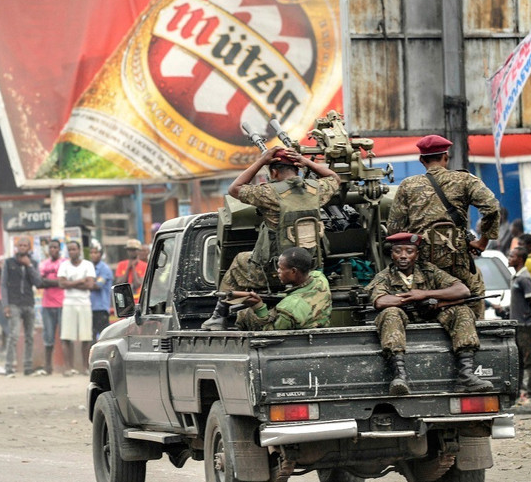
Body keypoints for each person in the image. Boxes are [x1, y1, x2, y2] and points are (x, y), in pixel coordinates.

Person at [202, 146, 340, 330]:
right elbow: (335, 179)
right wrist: (306, 161)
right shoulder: (317, 190)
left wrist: (261, 161)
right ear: (297, 168)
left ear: (274, 172)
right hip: (308, 268)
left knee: (239, 261)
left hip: (274, 271)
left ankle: (219, 316)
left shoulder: (269, 193)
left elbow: (235, 189)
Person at [386, 135, 500, 319]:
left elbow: (394, 229)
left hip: (422, 267)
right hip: (458, 263)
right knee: (474, 293)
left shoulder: (408, 185)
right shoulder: (465, 180)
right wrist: (482, 242)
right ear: (446, 157)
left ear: (421, 160)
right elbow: (492, 208)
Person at [367, 232, 493, 395]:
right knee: (390, 313)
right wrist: (412, 299)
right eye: (398, 251)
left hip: (434, 316)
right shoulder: (385, 276)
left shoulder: (429, 270)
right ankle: (399, 376)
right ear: (392, 254)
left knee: (462, 311)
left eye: (409, 251)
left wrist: (426, 295)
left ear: (417, 254)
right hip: (402, 320)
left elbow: (462, 290)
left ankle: (466, 375)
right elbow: (380, 301)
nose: (403, 256)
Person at [231, 247, 331, 331]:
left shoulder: (289, 308)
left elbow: (270, 333)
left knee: (245, 313)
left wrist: (259, 307)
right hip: (317, 325)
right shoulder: (320, 278)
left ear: (293, 271)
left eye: (281, 268)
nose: (277, 271)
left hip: (293, 342)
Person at [0, 238, 42, 376]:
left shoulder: (33, 263)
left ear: (29, 248)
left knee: (30, 336)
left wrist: (29, 265)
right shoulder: (9, 263)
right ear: (16, 247)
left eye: (25, 245)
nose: (22, 247)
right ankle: (9, 367)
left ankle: (28, 367)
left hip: (29, 303)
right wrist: (5, 304)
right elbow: (3, 284)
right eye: (20, 245)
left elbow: (38, 282)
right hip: (14, 304)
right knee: (14, 335)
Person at [507, 247, 531, 401]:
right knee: (518, 360)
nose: (509, 258)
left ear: (520, 259)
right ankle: (518, 391)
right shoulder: (516, 277)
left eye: (512, 256)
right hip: (518, 325)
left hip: (526, 326)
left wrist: (527, 315)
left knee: (530, 360)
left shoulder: (524, 278)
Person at [58, 241, 96, 376]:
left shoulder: (88, 265)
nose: (72, 252)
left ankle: (85, 367)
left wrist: (70, 283)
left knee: (86, 337)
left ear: (79, 250)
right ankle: (68, 368)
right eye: (69, 249)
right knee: (66, 337)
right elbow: (61, 284)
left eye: (74, 249)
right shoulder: (64, 265)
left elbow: (90, 285)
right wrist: (80, 281)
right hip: (69, 303)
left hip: (84, 303)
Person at [38, 239, 65, 375]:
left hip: (62, 304)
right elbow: (39, 282)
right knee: (48, 336)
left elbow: (64, 282)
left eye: (55, 247)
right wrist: (56, 282)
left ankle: (66, 366)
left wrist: (47, 281)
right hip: (47, 305)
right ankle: (48, 366)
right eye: (51, 247)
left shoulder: (64, 263)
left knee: (64, 336)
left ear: (59, 249)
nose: (53, 249)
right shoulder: (43, 264)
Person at [89, 245, 113, 342]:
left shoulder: (104, 269)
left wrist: (84, 283)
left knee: (103, 336)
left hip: (101, 308)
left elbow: (97, 285)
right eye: (91, 253)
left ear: (101, 254)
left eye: (96, 252)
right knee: (91, 337)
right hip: (90, 307)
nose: (93, 255)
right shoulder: (89, 267)